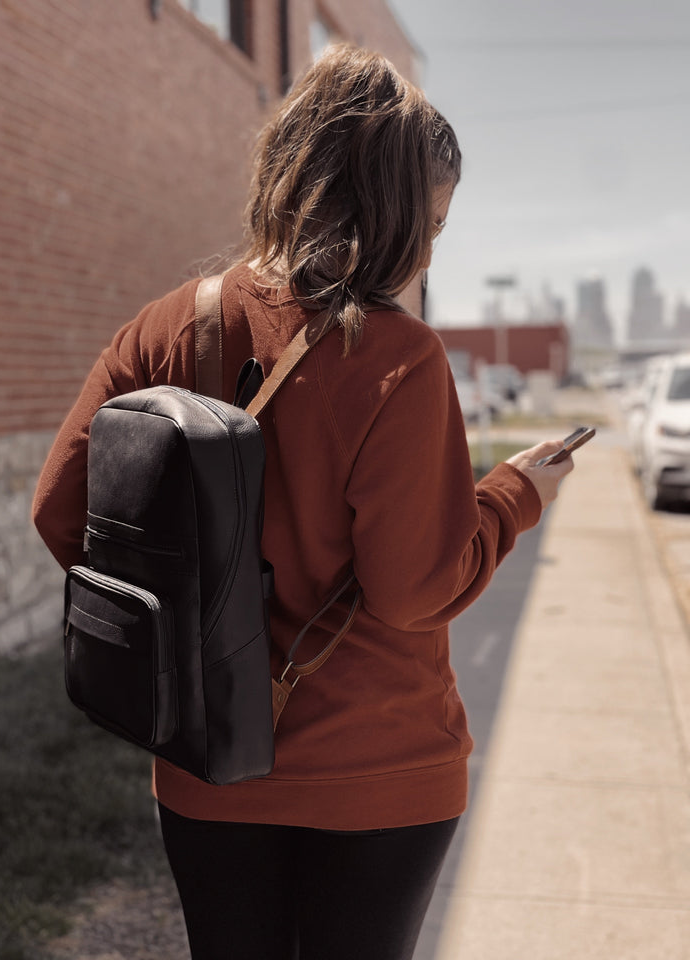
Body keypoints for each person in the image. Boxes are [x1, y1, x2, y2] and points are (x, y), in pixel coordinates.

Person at [33, 43, 573, 960]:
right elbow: (415, 586)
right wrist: (516, 494)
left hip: (205, 765)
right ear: (391, 212)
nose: (435, 248)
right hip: (378, 776)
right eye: (432, 223)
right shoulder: (399, 357)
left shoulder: (167, 325)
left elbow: (62, 511)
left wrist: (189, 615)